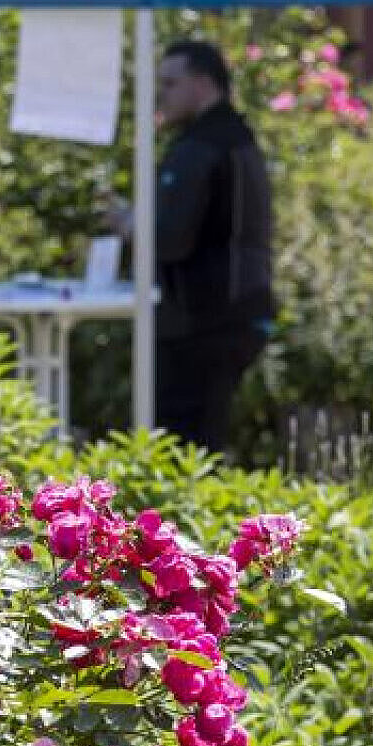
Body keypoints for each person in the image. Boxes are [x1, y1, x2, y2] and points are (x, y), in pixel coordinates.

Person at [123, 39, 274, 454]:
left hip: (203, 320)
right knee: (202, 442)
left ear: (204, 84)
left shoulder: (201, 146)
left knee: (180, 448)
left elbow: (170, 239)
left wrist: (132, 225)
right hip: (237, 310)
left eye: (171, 84)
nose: (161, 95)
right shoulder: (237, 137)